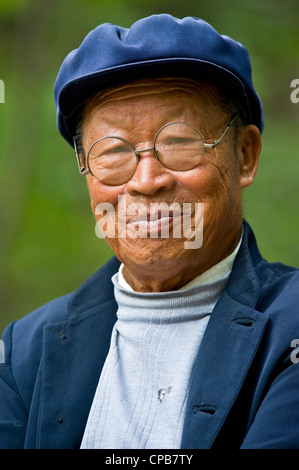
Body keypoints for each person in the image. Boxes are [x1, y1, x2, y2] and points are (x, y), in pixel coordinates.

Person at [0, 13, 299, 450]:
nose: (146, 179)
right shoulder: (22, 353)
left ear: (246, 156)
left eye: (180, 141)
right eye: (113, 151)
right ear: (86, 173)